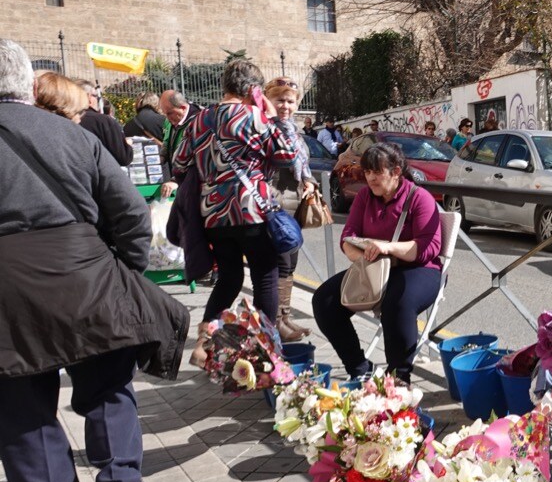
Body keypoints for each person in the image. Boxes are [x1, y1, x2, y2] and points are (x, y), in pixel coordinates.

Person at [0, 39, 190, 482]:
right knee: (108, 380)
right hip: (83, 269)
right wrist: (122, 272)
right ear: (27, 83)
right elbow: (129, 212)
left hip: (5, 289)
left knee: (19, 401)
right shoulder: (69, 133)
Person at [172, 59, 297, 367]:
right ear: (254, 89)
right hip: (251, 211)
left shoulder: (200, 120)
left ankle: (202, 345)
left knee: (228, 278)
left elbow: (179, 163)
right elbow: (287, 154)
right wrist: (271, 116)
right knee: (265, 278)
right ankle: (267, 351)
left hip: (213, 215)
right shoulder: (255, 116)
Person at [312, 142, 442, 384]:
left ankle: (398, 379)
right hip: (375, 267)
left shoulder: (419, 198)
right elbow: (347, 238)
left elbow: (428, 248)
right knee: (324, 301)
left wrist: (388, 248)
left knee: (397, 304)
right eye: (367, 172)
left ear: (396, 171)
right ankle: (360, 368)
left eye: (377, 172)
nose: (370, 178)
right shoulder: (364, 196)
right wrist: (365, 257)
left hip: (419, 268)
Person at [264, 76, 317, 342]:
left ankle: (283, 318)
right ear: (269, 101)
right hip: (274, 203)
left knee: (290, 262)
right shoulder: (266, 128)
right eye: (280, 100)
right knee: (281, 263)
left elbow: (303, 165)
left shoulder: (294, 131)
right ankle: (276, 322)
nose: (285, 105)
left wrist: (309, 181)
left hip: (294, 202)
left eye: (290, 101)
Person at [75, 79, 132, 166]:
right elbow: (124, 158)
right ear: (89, 98)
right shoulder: (104, 122)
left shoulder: (63, 120)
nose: (98, 100)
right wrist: (128, 145)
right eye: (96, 97)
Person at [159, 89, 198, 198]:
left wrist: (176, 180)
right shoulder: (169, 121)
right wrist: (157, 159)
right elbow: (166, 143)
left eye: (169, 113)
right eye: (164, 113)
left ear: (183, 108)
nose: (167, 118)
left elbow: (194, 158)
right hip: (176, 182)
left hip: (193, 186)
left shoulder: (198, 121)